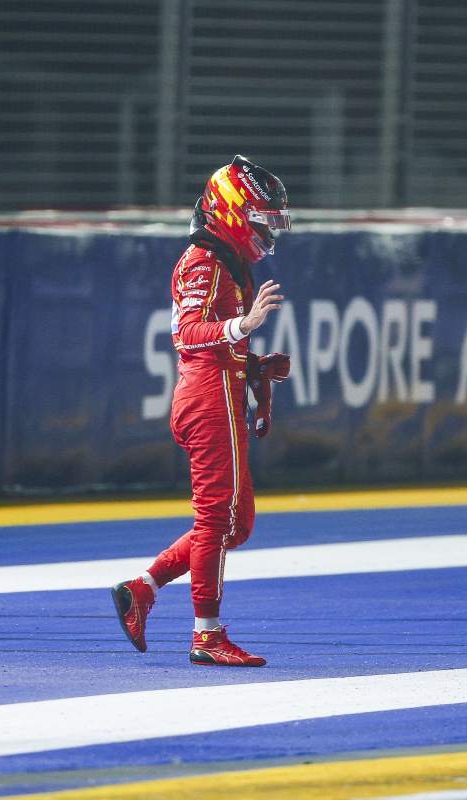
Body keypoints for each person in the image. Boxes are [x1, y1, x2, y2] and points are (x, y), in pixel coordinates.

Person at [112, 155, 291, 666]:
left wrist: (255, 366)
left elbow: (210, 342)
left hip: (218, 389)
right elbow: (188, 334)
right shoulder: (204, 260)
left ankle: (142, 589)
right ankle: (206, 636)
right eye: (261, 218)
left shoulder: (222, 259)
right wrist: (245, 327)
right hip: (208, 396)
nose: (268, 230)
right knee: (216, 518)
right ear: (234, 212)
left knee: (235, 524)